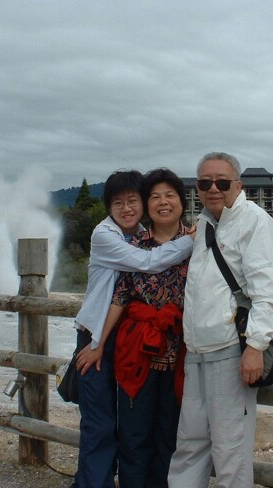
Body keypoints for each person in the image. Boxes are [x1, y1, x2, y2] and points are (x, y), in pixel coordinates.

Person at [167, 152, 273, 488]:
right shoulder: (206, 222)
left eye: (221, 182)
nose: (213, 189)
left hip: (232, 351)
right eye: (205, 183)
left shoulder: (255, 222)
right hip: (197, 351)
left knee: (230, 450)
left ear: (238, 185)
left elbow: (268, 293)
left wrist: (255, 347)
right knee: (189, 444)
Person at [72, 170, 194, 488]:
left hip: (151, 342)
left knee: (165, 428)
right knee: (102, 420)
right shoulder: (109, 236)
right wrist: (97, 343)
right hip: (100, 334)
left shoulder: (138, 232)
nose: (126, 208)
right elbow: (144, 266)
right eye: (118, 203)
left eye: (133, 201)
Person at [109, 168, 190, 488]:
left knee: (172, 437)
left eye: (170, 195)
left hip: (182, 356)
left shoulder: (199, 243)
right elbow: (120, 296)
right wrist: (98, 343)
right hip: (137, 355)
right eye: (155, 196)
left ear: (182, 201)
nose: (163, 202)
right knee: (134, 436)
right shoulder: (133, 246)